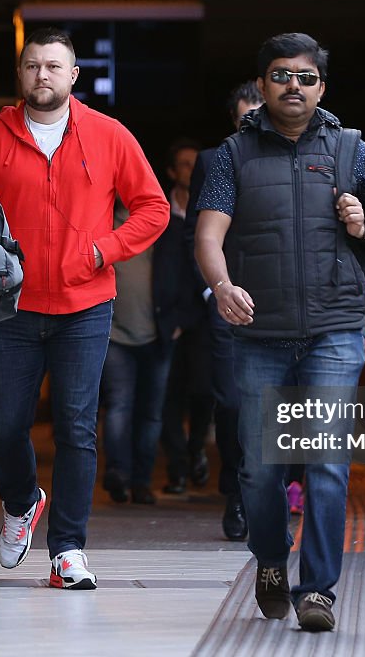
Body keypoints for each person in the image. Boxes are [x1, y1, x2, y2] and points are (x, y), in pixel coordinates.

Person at [195, 33, 365, 632]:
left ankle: (319, 590)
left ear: (322, 88)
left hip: (335, 328)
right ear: (262, 85)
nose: (295, 85)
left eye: (306, 76)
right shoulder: (234, 155)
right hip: (259, 331)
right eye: (282, 75)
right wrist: (224, 285)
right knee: (260, 466)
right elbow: (209, 236)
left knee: (326, 461)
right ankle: (269, 556)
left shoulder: (349, 148)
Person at [0, 27, 169, 590]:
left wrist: (104, 249)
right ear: (20, 75)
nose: (43, 76)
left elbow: (152, 208)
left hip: (85, 306)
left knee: (77, 428)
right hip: (11, 306)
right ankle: (21, 500)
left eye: (54, 67)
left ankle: (69, 551)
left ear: (74, 75)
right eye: (33, 66)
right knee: (4, 425)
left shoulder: (108, 136)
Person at [183, 81, 264, 542]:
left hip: (282, 299)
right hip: (227, 295)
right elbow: (197, 230)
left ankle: (269, 487)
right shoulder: (215, 160)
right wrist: (212, 291)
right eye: (244, 118)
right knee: (232, 401)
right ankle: (236, 491)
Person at [100, 196, 197, 506]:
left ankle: (141, 482)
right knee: (119, 406)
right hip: (114, 334)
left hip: (159, 334)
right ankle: (119, 474)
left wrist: (180, 320)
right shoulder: (100, 221)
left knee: (151, 414)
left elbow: (191, 276)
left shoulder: (168, 225)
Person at [157, 140, 215, 496]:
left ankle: (196, 451)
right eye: (183, 164)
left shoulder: (213, 207)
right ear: (172, 172)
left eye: (195, 164)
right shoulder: (159, 212)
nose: (190, 171)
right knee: (169, 399)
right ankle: (177, 468)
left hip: (207, 317)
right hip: (169, 319)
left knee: (204, 392)